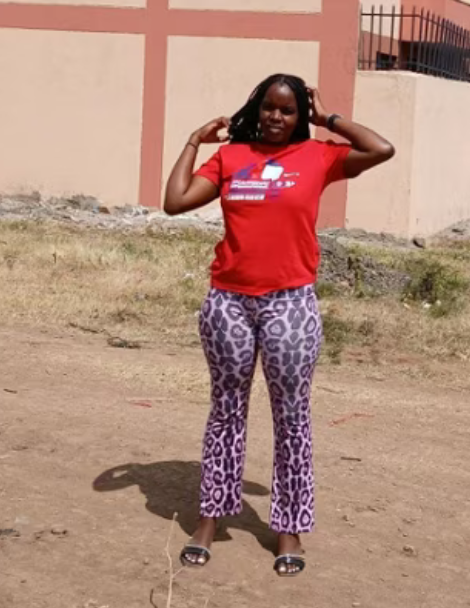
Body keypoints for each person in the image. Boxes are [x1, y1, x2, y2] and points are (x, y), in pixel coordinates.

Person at [164, 73, 394, 577]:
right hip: (228, 302)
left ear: (299, 116)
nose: (276, 116)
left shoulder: (319, 156)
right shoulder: (231, 157)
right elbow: (175, 201)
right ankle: (210, 519)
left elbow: (381, 149)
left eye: (288, 110)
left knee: (292, 417)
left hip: (290, 304)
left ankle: (289, 527)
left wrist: (328, 118)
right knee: (225, 411)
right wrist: (193, 141)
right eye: (269, 106)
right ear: (257, 108)